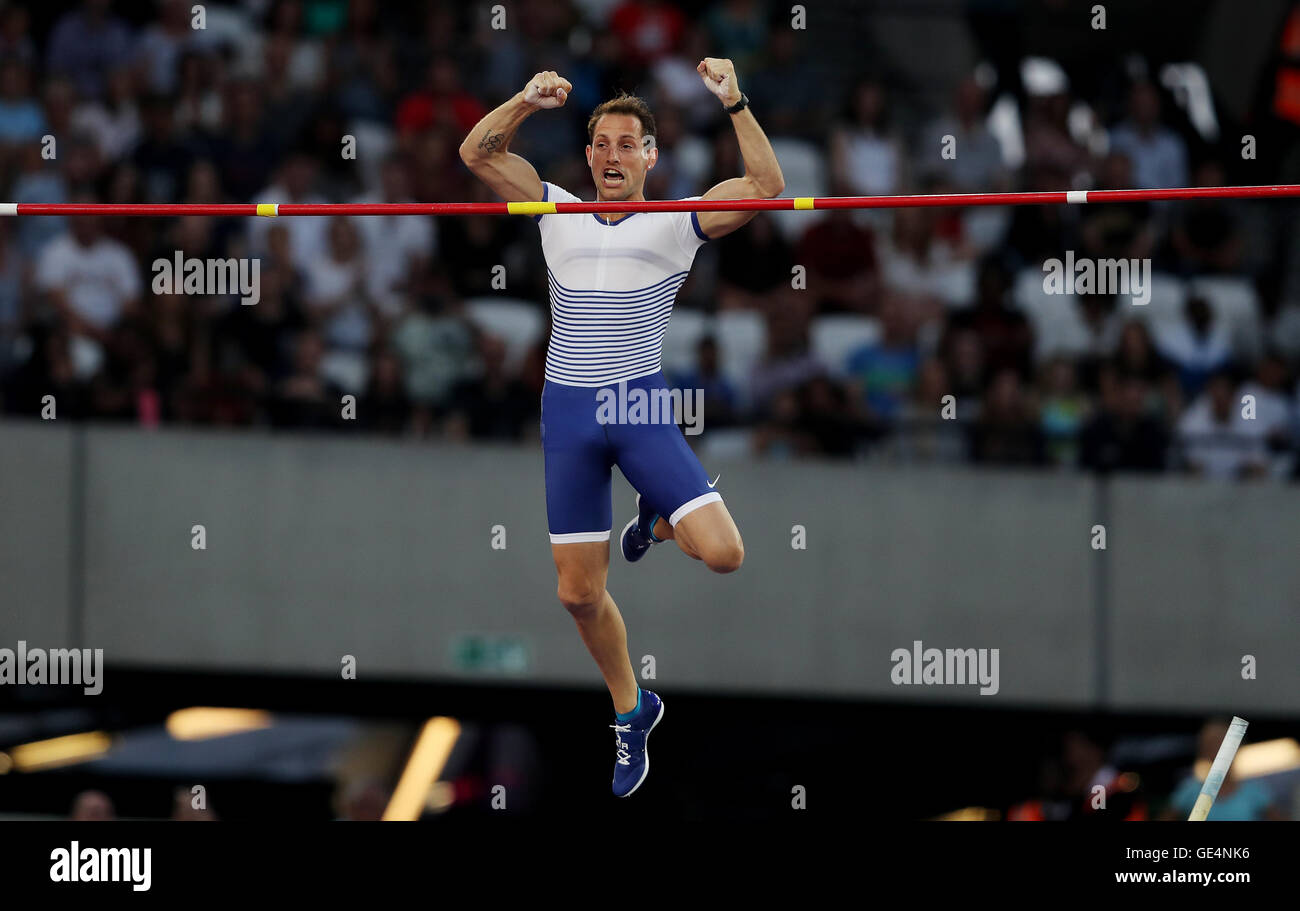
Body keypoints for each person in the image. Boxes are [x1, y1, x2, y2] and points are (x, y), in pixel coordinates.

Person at [459, 60, 784, 797]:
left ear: (650, 156)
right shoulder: (555, 209)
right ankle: (633, 709)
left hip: (635, 405)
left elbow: (767, 187)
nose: (611, 155)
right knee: (577, 594)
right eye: (601, 143)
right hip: (569, 412)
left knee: (726, 554)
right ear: (589, 155)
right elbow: (476, 154)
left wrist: (733, 98)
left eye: (626, 143)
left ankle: (659, 518)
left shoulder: (678, 221)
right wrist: (523, 101)